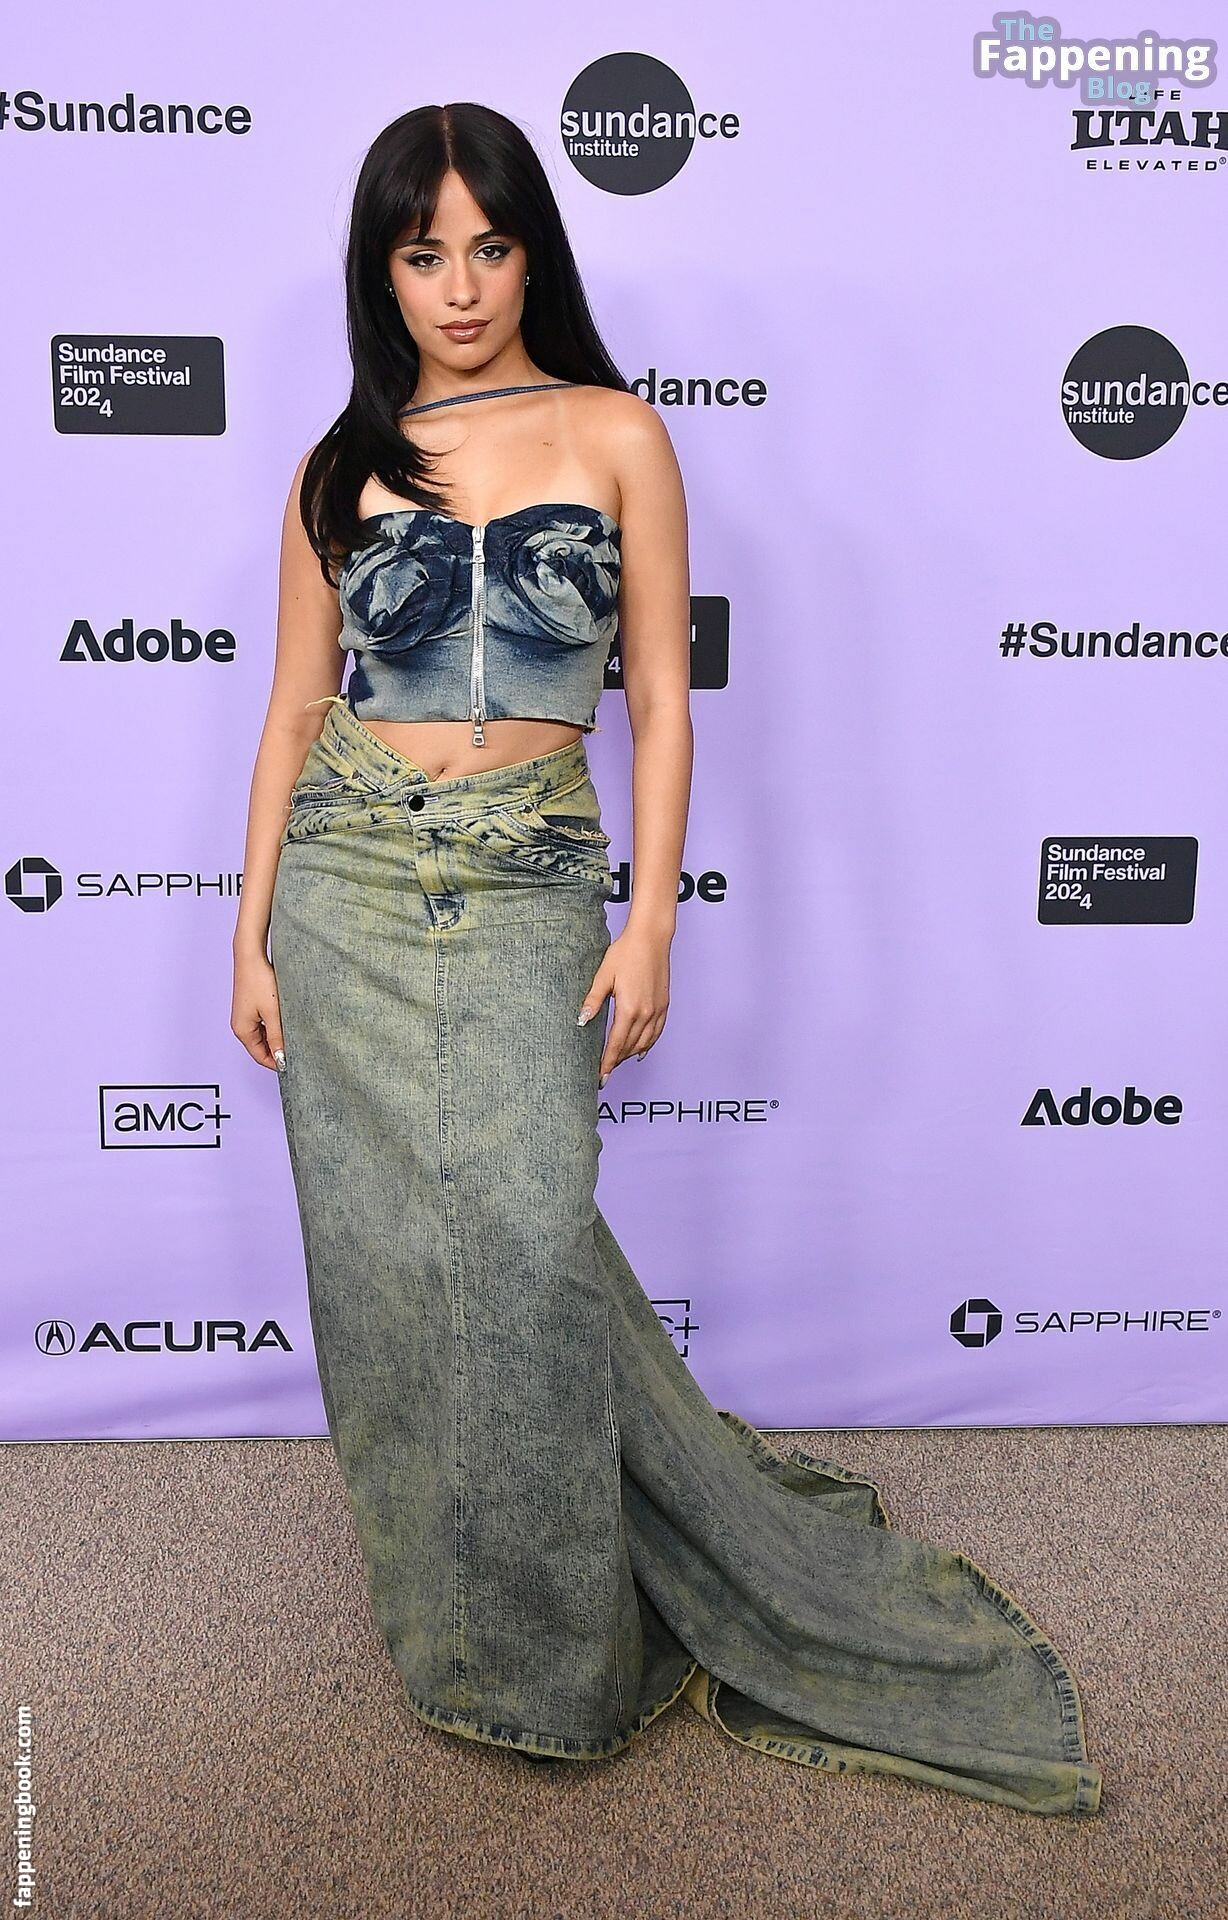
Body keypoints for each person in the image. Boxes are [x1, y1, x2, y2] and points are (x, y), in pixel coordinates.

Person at [230, 102, 1103, 1817]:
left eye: (490, 247)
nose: (459, 286)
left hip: (532, 869)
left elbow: (656, 694)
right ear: (380, 273)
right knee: (387, 1271)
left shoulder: (618, 432)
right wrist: (247, 930)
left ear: (534, 254)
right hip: (345, 876)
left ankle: (574, 1655)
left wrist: (650, 920)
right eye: (422, 254)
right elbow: (287, 707)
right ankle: (472, 1652)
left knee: (527, 1243)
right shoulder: (339, 468)